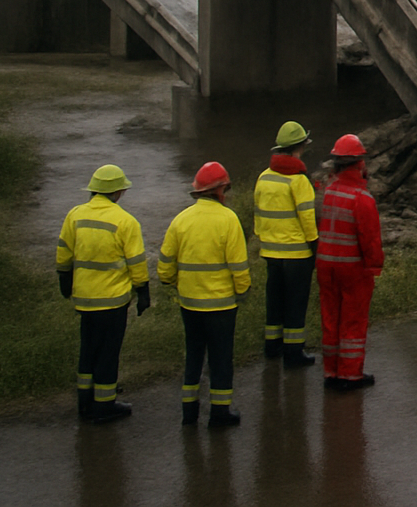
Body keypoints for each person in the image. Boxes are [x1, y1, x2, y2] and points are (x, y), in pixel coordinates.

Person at [159, 161, 251, 427]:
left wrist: (175, 283)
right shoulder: (228, 219)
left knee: (193, 356)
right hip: (221, 307)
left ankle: (189, 413)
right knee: (221, 359)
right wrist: (242, 290)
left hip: (189, 305)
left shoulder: (181, 220)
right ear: (221, 189)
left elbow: (165, 267)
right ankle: (220, 414)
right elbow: (238, 266)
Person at [55, 164, 150, 423]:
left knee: (88, 349)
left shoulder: (75, 215)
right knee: (108, 353)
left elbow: (63, 252)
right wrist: (143, 291)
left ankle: (84, 402)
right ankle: (105, 405)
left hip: (85, 300)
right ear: (117, 192)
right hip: (112, 302)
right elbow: (136, 262)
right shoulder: (126, 221)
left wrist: (64, 279)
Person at [318, 134, 384, 392]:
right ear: (358, 163)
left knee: (330, 318)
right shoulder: (362, 198)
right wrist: (375, 266)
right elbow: (370, 239)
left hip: (325, 265)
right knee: (353, 320)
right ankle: (350, 374)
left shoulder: (328, 191)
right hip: (352, 268)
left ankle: (331, 371)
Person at [255, 121, 320, 368]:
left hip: (271, 252)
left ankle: (272, 346)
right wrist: (314, 244)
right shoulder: (299, 180)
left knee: (274, 300)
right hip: (297, 254)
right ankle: (294, 353)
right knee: (295, 303)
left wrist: (264, 239)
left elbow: (258, 214)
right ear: (299, 147)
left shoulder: (264, 177)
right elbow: (307, 217)